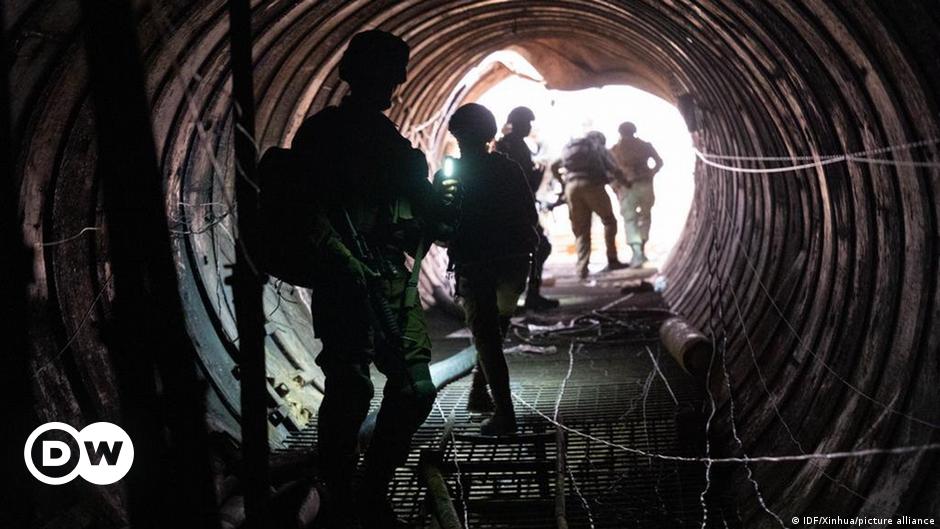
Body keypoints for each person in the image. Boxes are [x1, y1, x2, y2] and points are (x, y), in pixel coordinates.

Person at [291, 30, 449, 529]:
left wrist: (427, 221)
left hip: (388, 278)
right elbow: (304, 209)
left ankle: (372, 487)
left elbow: (421, 206)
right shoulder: (320, 136)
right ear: (360, 74)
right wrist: (343, 261)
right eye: (391, 70)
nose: (400, 81)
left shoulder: (390, 141)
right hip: (342, 278)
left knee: (415, 388)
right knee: (351, 386)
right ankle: (340, 497)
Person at [435, 103, 539, 435]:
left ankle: (504, 414)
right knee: (496, 330)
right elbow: (529, 215)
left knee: (487, 336)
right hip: (514, 264)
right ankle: (480, 393)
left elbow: (440, 226)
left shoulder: (451, 176)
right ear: (491, 134)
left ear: (455, 135)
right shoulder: (509, 169)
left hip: (477, 265)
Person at [495, 106, 560, 311]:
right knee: (538, 248)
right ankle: (525, 296)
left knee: (532, 249)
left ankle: (519, 296)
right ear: (517, 123)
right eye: (527, 123)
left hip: (514, 208)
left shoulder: (509, 144)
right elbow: (518, 180)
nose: (529, 127)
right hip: (515, 210)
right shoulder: (512, 146)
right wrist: (536, 175)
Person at [552, 131, 627, 280]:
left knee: (581, 229)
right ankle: (612, 259)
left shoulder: (571, 147)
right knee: (609, 222)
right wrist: (626, 183)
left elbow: (554, 166)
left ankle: (582, 269)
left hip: (571, 188)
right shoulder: (597, 147)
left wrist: (563, 182)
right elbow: (614, 169)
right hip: (593, 186)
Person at [609, 122, 663, 267]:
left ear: (620, 132)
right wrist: (651, 173)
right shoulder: (645, 146)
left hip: (627, 187)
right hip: (646, 184)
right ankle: (642, 251)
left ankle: (637, 254)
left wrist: (616, 187)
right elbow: (659, 162)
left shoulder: (615, 150)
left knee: (630, 220)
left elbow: (610, 172)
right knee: (645, 216)